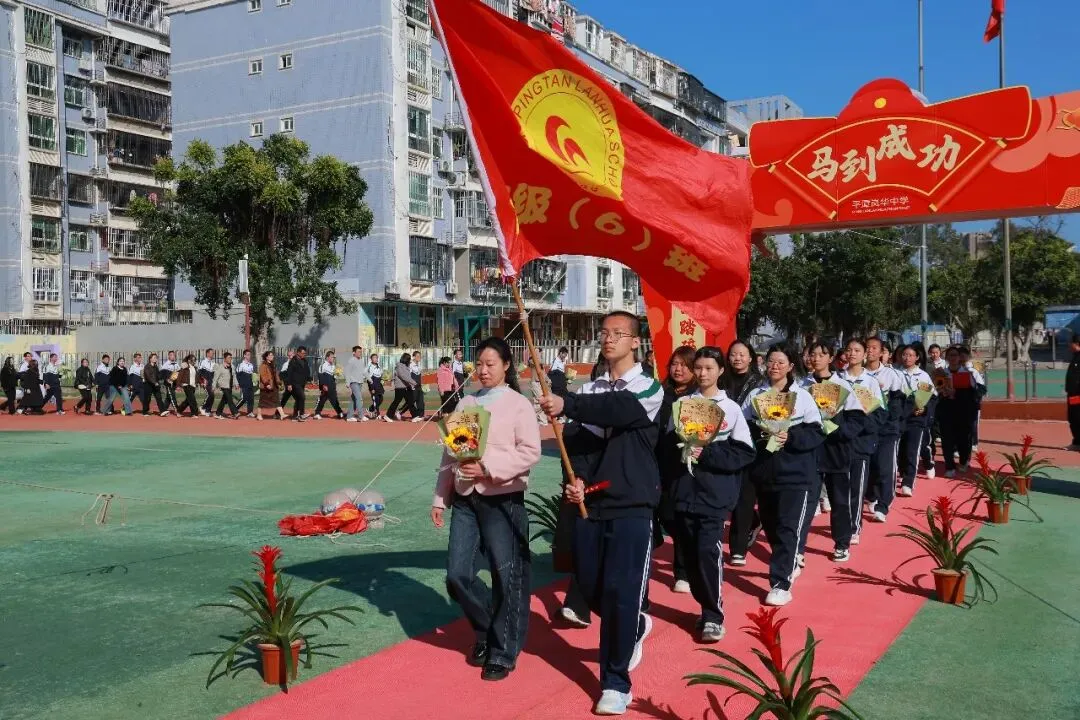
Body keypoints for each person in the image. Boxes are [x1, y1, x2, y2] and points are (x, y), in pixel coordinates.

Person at [538, 311, 664, 716]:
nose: (608, 339)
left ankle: (615, 682)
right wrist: (578, 481)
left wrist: (568, 401)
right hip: (592, 503)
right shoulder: (591, 389)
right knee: (590, 589)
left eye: (618, 333)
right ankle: (636, 627)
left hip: (632, 505)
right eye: (604, 333)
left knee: (621, 594)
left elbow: (619, 410)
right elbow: (583, 444)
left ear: (635, 343)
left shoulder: (649, 388)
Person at [431, 337, 540, 682]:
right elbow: (452, 452)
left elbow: (530, 452)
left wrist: (488, 466)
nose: (483, 370)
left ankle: (502, 651)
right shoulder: (465, 401)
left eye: (491, 364)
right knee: (457, 575)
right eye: (479, 364)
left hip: (502, 497)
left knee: (506, 575)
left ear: (507, 366)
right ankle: (487, 627)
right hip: (465, 499)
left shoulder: (519, 404)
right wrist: (440, 497)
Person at [664, 346, 755, 642]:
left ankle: (714, 616)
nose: (703, 374)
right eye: (699, 368)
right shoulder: (682, 405)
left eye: (709, 369)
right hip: (683, 492)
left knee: (707, 551)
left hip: (714, 495)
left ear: (720, 371)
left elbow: (743, 453)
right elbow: (664, 445)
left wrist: (707, 452)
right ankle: (705, 607)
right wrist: (678, 447)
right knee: (690, 554)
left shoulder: (730, 409)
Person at [743, 345, 823, 607]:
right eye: (770, 361)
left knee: (789, 527)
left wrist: (791, 437)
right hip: (765, 473)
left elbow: (816, 433)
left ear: (791, 366)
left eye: (780, 362)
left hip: (796, 474)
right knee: (773, 525)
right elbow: (742, 428)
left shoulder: (802, 397)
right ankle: (788, 562)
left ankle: (780, 583)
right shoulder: (756, 395)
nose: (774, 366)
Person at [800, 343, 864, 563]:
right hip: (811, 452)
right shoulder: (802, 385)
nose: (816, 358)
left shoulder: (843, 385)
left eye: (821, 354)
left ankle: (842, 543)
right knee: (807, 501)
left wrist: (837, 430)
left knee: (839, 500)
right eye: (812, 354)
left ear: (831, 358)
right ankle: (798, 548)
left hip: (837, 451)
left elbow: (857, 420)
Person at [654, 346, 697, 593]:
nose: (678, 369)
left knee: (680, 517)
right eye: (675, 364)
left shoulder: (697, 398)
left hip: (685, 466)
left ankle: (682, 571)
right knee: (665, 514)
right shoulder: (661, 393)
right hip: (659, 463)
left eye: (685, 365)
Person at [838, 339, 884, 546]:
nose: (853, 353)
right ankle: (841, 523)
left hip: (861, 443)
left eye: (857, 350)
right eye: (849, 350)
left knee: (857, 488)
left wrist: (861, 425)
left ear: (865, 354)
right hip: (839, 442)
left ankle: (854, 527)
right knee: (840, 487)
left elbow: (878, 415)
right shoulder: (837, 380)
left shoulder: (870, 382)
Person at [725, 340, 765, 566]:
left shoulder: (761, 384)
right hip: (724, 443)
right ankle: (754, 520)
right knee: (729, 495)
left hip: (750, 444)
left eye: (742, 354)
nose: (737, 358)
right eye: (733, 354)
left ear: (751, 358)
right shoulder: (721, 380)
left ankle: (738, 548)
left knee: (745, 495)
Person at [864, 337, 904, 522]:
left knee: (885, 466)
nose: (869, 351)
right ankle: (871, 495)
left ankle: (883, 505)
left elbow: (899, 403)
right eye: (867, 347)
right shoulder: (858, 375)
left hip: (887, 429)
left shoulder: (891, 375)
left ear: (881, 352)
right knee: (870, 466)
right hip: (864, 430)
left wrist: (886, 419)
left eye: (874, 348)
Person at [896, 346, 936, 498]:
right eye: (904, 355)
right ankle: (902, 472)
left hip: (916, 418)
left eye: (911, 355)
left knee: (913, 451)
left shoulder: (923, 375)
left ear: (917, 358)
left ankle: (908, 483)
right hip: (900, 417)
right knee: (901, 450)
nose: (907, 358)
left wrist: (924, 409)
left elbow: (930, 397)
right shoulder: (896, 373)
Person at [938, 346, 976, 476]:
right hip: (946, 410)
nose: (953, 358)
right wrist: (943, 392)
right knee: (947, 438)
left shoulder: (967, 373)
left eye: (955, 355)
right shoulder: (941, 373)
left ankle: (964, 460)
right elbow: (936, 391)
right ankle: (949, 466)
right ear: (946, 358)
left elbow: (974, 393)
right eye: (950, 355)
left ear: (960, 357)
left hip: (963, 411)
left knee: (963, 438)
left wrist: (957, 393)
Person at [387, 352, 418, 421]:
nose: (409, 361)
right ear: (405, 359)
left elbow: (407, 377)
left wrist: (411, 385)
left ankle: (415, 416)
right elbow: (403, 376)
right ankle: (388, 415)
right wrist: (414, 383)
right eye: (409, 359)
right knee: (396, 401)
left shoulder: (406, 367)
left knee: (410, 401)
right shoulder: (399, 366)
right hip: (400, 387)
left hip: (406, 387)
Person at [283, 346, 311, 421]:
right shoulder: (293, 361)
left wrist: (309, 378)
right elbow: (289, 373)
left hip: (302, 383)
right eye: (303, 353)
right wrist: (289, 384)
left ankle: (295, 416)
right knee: (302, 397)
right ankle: (301, 414)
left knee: (298, 399)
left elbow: (307, 370)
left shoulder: (305, 360)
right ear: (298, 353)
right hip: (294, 383)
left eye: (305, 353)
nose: (304, 354)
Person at [314, 350, 345, 420]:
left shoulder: (333, 366)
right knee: (322, 400)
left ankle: (340, 413)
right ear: (327, 357)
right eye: (332, 357)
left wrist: (337, 374)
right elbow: (320, 376)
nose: (333, 358)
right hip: (325, 386)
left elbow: (334, 377)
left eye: (334, 357)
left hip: (332, 386)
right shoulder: (323, 366)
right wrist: (323, 385)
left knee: (334, 400)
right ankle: (317, 413)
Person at [257, 350, 286, 421]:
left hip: (274, 386)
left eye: (272, 355)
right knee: (262, 401)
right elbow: (263, 376)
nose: (272, 356)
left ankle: (282, 414)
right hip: (266, 386)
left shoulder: (273, 365)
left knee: (277, 400)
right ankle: (258, 415)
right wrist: (266, 384)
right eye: (270, 355)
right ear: (266, 357)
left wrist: (279, 382)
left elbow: (276, 374)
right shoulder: (263, 365)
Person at [344, 346, 369, 422]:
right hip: (353, 382)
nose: (360, 353)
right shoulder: (351, 360)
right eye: (358, 352)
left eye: (361, 352)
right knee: (359, 398)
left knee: (353, 400)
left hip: (360, 382)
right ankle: (361, 415)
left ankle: (349, 416)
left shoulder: (361, 360)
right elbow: (347, 372)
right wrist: (348, 383)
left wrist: (369, 378)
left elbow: (364, 371)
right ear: (354, 353)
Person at [1068, 335, 1080, 450]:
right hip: (1073, 394)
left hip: (1078, 394)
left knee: (1077, 417)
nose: (1068, 345)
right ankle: (1077, 442)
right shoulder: (1075, 356)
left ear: (1076, 344)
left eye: (1070, 343)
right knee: (1073, 418)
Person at [160, 351, 181, 416]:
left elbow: (179, 373)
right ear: (168, 356)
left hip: (174, 383)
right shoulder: (166, 364)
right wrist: (167, 379)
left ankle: (163, 409)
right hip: (168, 383)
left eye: (174, 355)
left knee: (168, 397)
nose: (173, 356)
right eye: (171, 355)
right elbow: (162, 374)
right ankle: (177, 410)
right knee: (172, 396)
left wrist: (178, 384)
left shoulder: (176, 364)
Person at [367, 353, 387, 421]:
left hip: (379, 386)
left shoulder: (379, 366)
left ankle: (370, 409)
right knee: (376, 400)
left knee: (381, 399)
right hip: (373, 386)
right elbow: (369, 379)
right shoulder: (370, 367)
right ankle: (377, 414)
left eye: (376, 358)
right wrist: (371, 388)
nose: (375, 359)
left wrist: (385, 380)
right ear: (371, 359)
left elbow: (381, 377)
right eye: (374, 358)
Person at [237, 350, 256, 418]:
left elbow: (252, 375)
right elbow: (238, 375)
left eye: (249, 355)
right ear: (244, 355)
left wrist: (254, 381)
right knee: (244, 398)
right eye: (247, 354)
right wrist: (239, 384)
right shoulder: (241, 365)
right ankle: (235, 409)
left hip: (250, 384)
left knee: (251, 398)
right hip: (244, 385)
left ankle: (250, 412)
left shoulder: (251, 365)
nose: (249, 356)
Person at [198, 349, 216, 417]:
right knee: (210, 394)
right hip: (205, 382)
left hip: (211, 382)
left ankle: (208, 411)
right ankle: (202, 407)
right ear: (207, 354)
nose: (213, 354)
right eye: (211, 353)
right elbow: (199, 373)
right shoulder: (203, 362)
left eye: (213, 353)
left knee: (212, 396)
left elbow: (214, 374)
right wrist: (201, 381)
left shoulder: (213, 363)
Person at [411, 350, 426, 421]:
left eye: (420, 356)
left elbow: (420, 375)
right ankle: (400, 412)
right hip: (413, 386)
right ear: (413, 357)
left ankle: (421, 415)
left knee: (421, 401)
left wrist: (423, 384)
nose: (419, 358)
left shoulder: (419, 365)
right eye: (418, 356)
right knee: (411, 401)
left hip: (419, 386)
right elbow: (408, 376)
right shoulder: (410, 365)